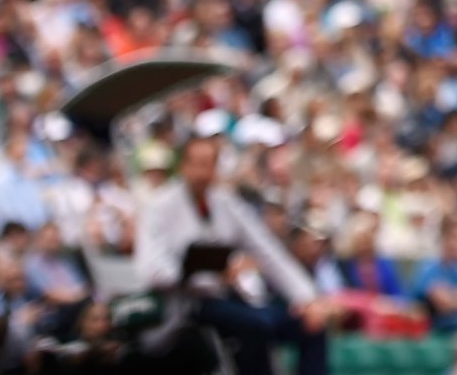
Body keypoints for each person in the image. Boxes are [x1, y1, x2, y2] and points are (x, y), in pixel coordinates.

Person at [133, 136, 336, 375]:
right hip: (185, 305)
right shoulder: (160, 207)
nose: (202, 172)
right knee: (257, 326)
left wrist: (306, 299)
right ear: (183, 165)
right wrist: (209, 274)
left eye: (209, 164)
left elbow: (268, 250)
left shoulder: (225, 202)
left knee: (310, 326)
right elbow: (151, 269)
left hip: (230, 299)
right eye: (196, 164)